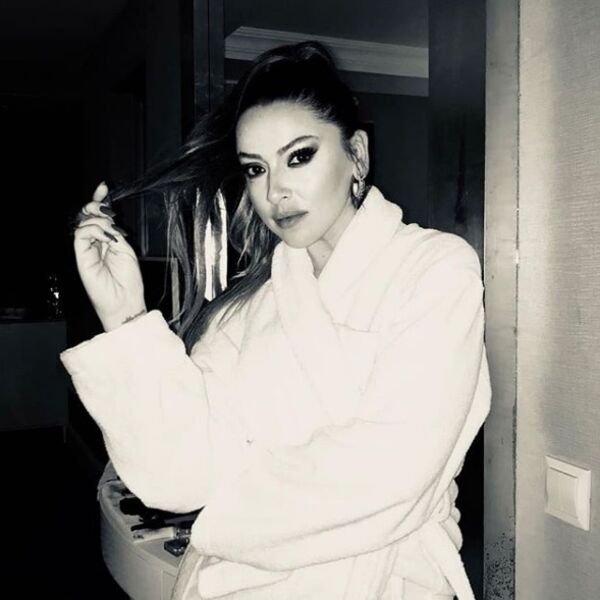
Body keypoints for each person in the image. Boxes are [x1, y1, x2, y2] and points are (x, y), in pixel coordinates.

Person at [61, 41, 491, 600]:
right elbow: (178, 474)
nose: (274, 192)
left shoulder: (436, 269)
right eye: (255, 169)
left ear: (357, 155)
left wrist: (221, 511)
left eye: (299, 157)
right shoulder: (246, 309)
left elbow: (393, 469)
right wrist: (125, 315)